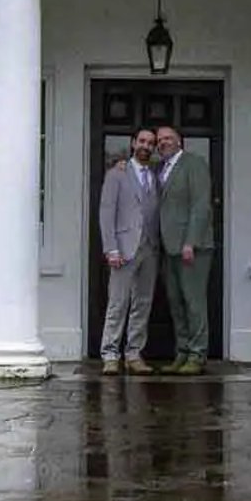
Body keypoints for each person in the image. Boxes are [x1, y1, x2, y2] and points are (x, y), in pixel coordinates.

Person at [97, 128, 160, 374]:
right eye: (142, 141)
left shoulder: (155, 175)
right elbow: (106, 211)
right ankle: (110, 354)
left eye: (151, 143)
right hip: (123, 248)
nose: (146, 146)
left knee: (142, 304)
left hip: (150, 248)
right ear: (133, 143)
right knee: (118, 302)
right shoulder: (117, 174)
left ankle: (133, 354)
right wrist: (110, 248)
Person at [153, 125, 214, 374]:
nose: (163, 143)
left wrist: (191, 242)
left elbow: (201, 205)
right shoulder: (161, 169)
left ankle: (197, 355)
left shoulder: (194, 164)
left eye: (168, 138)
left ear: (180, 141)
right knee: (176, 303)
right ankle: (182, 352)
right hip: (168, 248)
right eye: (160, 140)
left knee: (193, 302)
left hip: (192, 248)